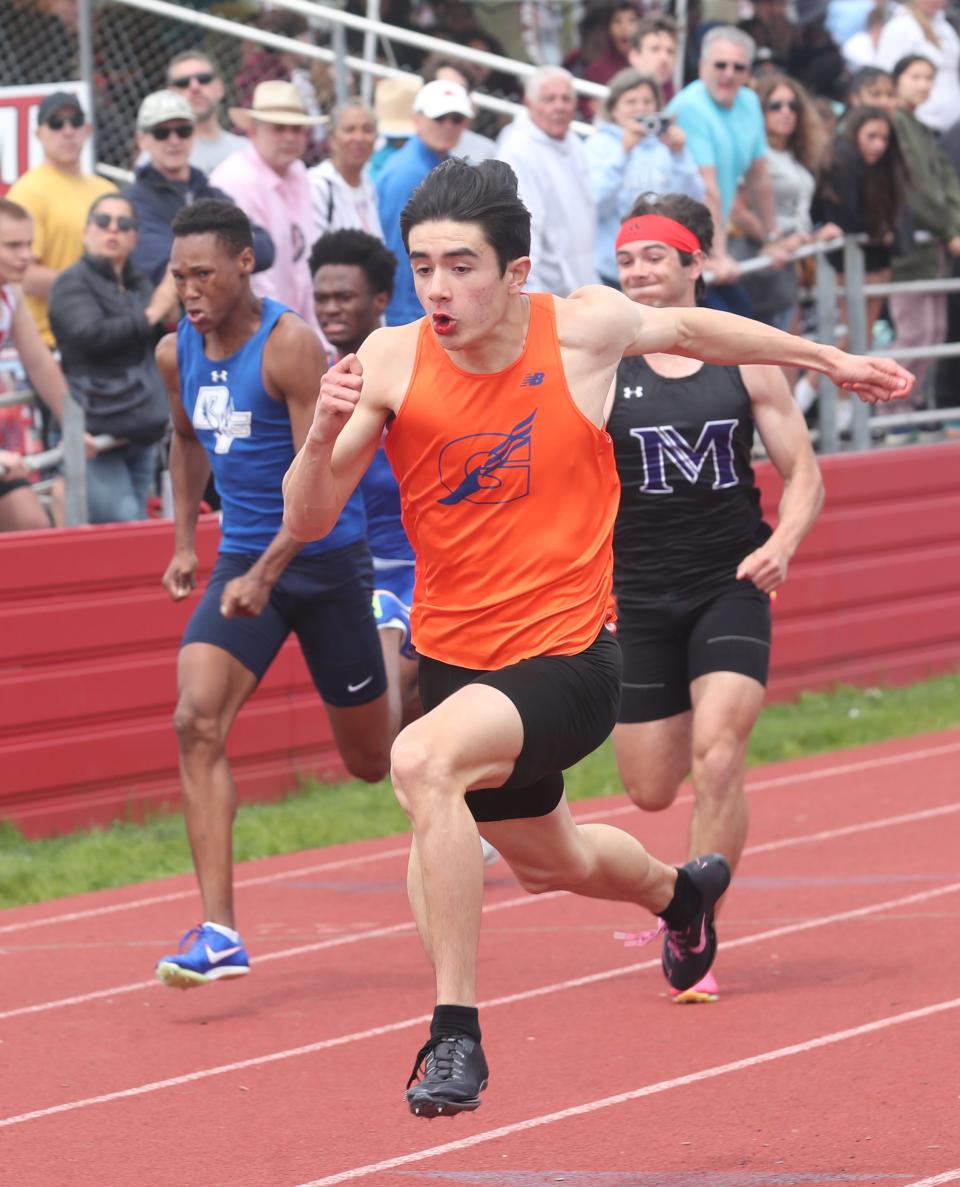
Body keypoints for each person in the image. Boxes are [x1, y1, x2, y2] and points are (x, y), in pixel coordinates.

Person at [281, 158, 912, 1117]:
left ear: (516, 271)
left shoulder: (580, 328)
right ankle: (680, 895)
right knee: (553, 862)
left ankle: (455, 1037)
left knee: (423, 764)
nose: (439, 288)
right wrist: (322, 434)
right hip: (458, 660)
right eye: (423, 266)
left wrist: (830, 360)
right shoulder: (394, 357)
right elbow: (310, 516)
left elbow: (696, 327)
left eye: (462, 265)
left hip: (570, 655)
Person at [154, 199, 391, 989]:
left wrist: (269, 570)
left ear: (245, 264)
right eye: (179, 275)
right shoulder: (174, 351)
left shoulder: (290, 346)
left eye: (203, 274)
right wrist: (190, 541)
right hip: (244, 561)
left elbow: (321, 476)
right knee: (195, 718)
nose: (188, 290)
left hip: (324, 561)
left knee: (371, 760)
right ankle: (219, 930)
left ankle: (447, 730)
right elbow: (186, 442)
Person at [608, 193, 825, 1003]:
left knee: (719, 754)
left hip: (728, 581)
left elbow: (803, 472)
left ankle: (694, 920)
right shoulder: (603, 365)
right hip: (637, 591)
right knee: (649, 787)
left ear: (695, 263)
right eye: (627, 259)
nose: (638, 273)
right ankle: (683, 890)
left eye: (655, 257)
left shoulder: (745, 357)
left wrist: (781, 544)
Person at [309, 228, 418, 735]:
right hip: (349, 573)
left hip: (420, 570)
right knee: (385, 746)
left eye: (344, 297)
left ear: (379, 300)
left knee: (403, 730)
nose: (331, 309)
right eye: (322, 298)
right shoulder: (315, 380)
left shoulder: (414, 372)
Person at [48, 193, 177, 523]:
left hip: (140, 427)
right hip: (95, 430)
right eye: (103, 221)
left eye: (125, 224)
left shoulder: (137, 282)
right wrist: (152, 313)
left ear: (135, 236)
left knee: (140, 528)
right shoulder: (70, 282)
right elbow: (91, 337)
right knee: (126, 523)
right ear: (86, 231)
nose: (113, 230)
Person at [667, 27, 787, 285]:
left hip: (705, 237)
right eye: (720, 65)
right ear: (702, 67)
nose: (728, 74)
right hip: (674, 240)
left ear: (748, 72)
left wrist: (773, 238)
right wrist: (716, 254)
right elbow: (706, 188)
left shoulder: (749, 102)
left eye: (738, 67)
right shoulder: (689, 106)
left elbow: (758, 178)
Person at [882, 53, 960, 441]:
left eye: (929, 77)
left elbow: (946, 185)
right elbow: (917, 190)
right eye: (916, 76)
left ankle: (905, 410)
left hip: (933, 249)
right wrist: (950, 230)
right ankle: (885, 410)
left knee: (934, 331)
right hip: (909, 249)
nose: (924, 84)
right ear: (898, 80)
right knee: (914, 333)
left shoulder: (921, 128)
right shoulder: (896, 125)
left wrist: (952, 227)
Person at [210, 80, 326, 334]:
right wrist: (281, 332)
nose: (290, 137)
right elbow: (253, 272)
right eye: (279, 128)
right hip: (255, 328)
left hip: (293, 322)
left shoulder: (297, 171)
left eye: (297, 129)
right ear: (253, 131)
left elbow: (305, 256)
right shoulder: (235, 180)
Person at [126, 90, 275, 287]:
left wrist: (196, 253)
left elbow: (265, 249)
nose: (174, 140)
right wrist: (231, 246)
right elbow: (162, 264)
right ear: (142, 140)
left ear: (194, 134)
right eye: (162, 132)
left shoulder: (212, 193)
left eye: (183, 131)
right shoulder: (133, 202)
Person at [6, 92, 115, 358]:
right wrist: (94, 286)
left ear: (87, 129)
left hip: (111, 334)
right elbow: (24, 277)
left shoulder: (107, 191)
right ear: (38, 134)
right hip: (53, 342)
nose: (68, 131)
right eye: (56, 123)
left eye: (75, 121)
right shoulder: (27, 193)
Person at [584, 68, 704, 286]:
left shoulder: (665, 145)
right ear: (614, 109)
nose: (640, 108)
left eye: (647, 101)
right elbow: (594, 204)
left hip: (663, 267)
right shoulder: (596, 146)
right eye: (631, 102)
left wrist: (679, 155)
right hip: (614, 270)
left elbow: (693, 201)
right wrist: (623, 153)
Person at [0, 198, 76, 532]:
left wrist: (74, 423)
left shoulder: (11, 292)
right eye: (13, 245)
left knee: (31, 525)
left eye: (29, 244)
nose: (26, 255)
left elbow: (38, 360)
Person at [376, 79, 475, 326]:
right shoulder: (408, 173)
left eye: (456, 118)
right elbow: (397, 249)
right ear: (417, 119)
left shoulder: (439, 164)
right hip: (411, 308)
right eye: (440, 118)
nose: (448, 126)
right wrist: (404, 315)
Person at [496, 66, 599, 296]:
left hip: (581, 281)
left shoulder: (573, 141)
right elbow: (524, 227)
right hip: (544, 290)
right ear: (528, 103)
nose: (559, 106)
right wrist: (532, 295)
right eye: (549, 99)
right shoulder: (517, 150)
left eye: (566, 98)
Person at [875, 0, 960, 132]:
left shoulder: (944, 26)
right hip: (922, 122)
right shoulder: (900, 27)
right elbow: (886, 75)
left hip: (952, 121)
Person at [307, 98, 384, 242]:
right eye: (349, 130)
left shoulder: (367, 184)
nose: (359, 138)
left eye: (367, 130)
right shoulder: (317, 186)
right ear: (332, 139)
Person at [165, 50, 248, 174]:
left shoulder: (248, 151)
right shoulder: (159, 156)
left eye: (204, 79)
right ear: (170, 95)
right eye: (183, 83)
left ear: (220, 87)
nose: (195, 87)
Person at [627, 16, 680, 106]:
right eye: (655, 49)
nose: (664, 58)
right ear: (634, 56)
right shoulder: (617, 100)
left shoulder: (679, 103)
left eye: (670, 51)